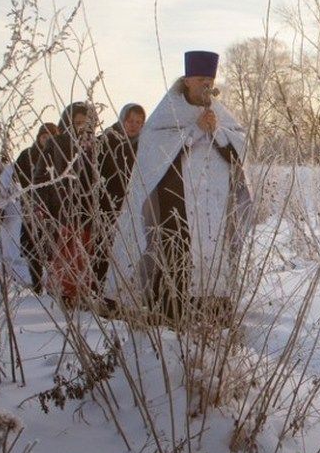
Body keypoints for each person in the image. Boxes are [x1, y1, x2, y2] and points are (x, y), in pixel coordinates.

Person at [106, 51, 251, 325]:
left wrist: (217, 131)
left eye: (210, 78)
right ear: (187, 80)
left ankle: (213, 314)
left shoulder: (220, 113)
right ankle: (171, 314)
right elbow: (154, 152)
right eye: (200, 79)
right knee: (175, 254)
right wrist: (195, 130)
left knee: (211, 253)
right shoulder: (167, 112)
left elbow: (240, 147)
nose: (206, 84)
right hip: (176, 201)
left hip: (213, 205)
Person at [34, 103, 100, 302]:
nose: (80, 127)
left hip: (89, 206)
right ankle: (64, 294)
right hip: (63, 205)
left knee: (86, 250)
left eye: (85, 123)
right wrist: (41, 204)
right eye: (77, 122)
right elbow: (40, 176)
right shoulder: (57, 142)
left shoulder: (94, 144)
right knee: (66, 250)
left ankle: (83, 292)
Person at [94, 103, 145, 286]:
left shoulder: (143, 146)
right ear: (122, 120)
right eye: (130, 121)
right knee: (103, 248)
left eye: (139, 122)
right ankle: (98, 289)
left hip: (130, 206)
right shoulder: (106, 141)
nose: (134, 125)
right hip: (106, 205)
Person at [13, 122, 60, 291]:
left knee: (52, 247)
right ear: (39, 137)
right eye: (44, 137)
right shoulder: (28, 155)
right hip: (31, 206)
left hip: (53, 209)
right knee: (32, 245)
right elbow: (16, 174)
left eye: (52, 137)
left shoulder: (58, 155)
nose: (47, 140)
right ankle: (37, 282)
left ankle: (53, 283)